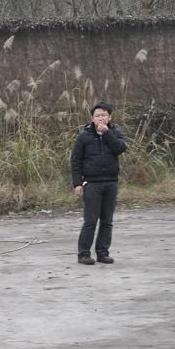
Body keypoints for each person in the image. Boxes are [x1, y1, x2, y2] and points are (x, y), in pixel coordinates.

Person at [72, 102, 127, 264]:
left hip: (111, 182)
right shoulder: (84, 136)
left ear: (109, 117)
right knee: (90, 220)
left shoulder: (115, 133)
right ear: (92, 118)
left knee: (107, 221)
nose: (100, 118)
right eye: (97, 116)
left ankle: (102, 253)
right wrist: (77, 183)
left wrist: (107, 133)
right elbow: (76, 161)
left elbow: (120, 148)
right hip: (92, 183)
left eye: (103, 115)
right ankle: (83, 254)